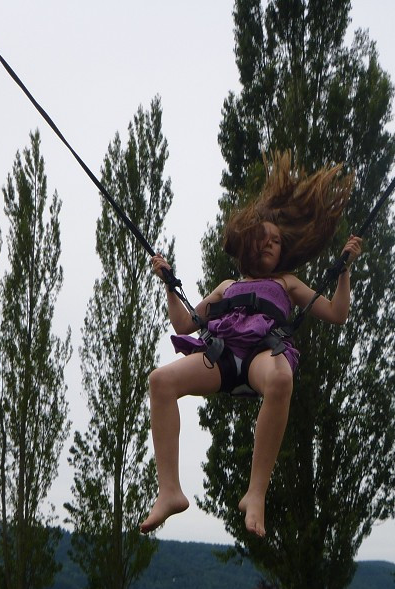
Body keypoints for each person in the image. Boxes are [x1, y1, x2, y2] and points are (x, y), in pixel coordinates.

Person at [139, 151, 363, 538]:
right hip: (221, 356)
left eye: (276, 242)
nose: (269, 246)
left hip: (263, 355)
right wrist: (169, 285)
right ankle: (169, 491)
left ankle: (255, 493)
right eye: (263, 240)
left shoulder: (286, 283)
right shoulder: (228, 286)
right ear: (247, 244)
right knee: (160, 381)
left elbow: (336, 313)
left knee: (280, 381)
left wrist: (343, 273)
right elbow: (185, 323)